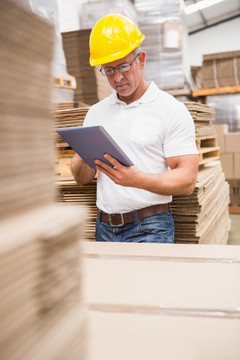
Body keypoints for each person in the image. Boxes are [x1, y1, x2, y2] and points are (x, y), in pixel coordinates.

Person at [70, 14, 199, 243]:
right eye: (108, 70)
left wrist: (137, 179)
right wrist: (83, 154)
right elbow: (81, 178)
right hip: (104, 227)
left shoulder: (170, 109)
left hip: (150, 227)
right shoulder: (96, 113)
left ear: (141, 60)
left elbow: (187, 179)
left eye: (123, 66)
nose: (118, 77)